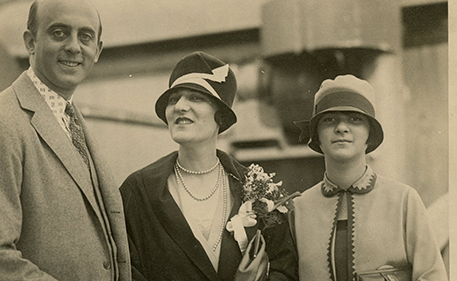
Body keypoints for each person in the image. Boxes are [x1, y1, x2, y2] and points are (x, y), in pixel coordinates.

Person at [0, 0, 131, 281]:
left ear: (98, 51)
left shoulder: (71, 120)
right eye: (59, 33)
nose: (74, 47)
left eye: (85, 37)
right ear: (30, 42)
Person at [120, 51, 298, 280]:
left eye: (196, 98)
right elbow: (125, 269)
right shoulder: (139, 191)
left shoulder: (260, 190)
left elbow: (285, 268)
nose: (180, 106)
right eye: (174, 99)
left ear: (221, 116)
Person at [293, 75, 447, 280]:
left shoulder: (404, 201)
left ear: (370, 135)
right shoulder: (298, 209)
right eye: (329, 119)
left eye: (355, 119)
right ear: (317, 136)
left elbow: (432, 275)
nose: (341, 128)